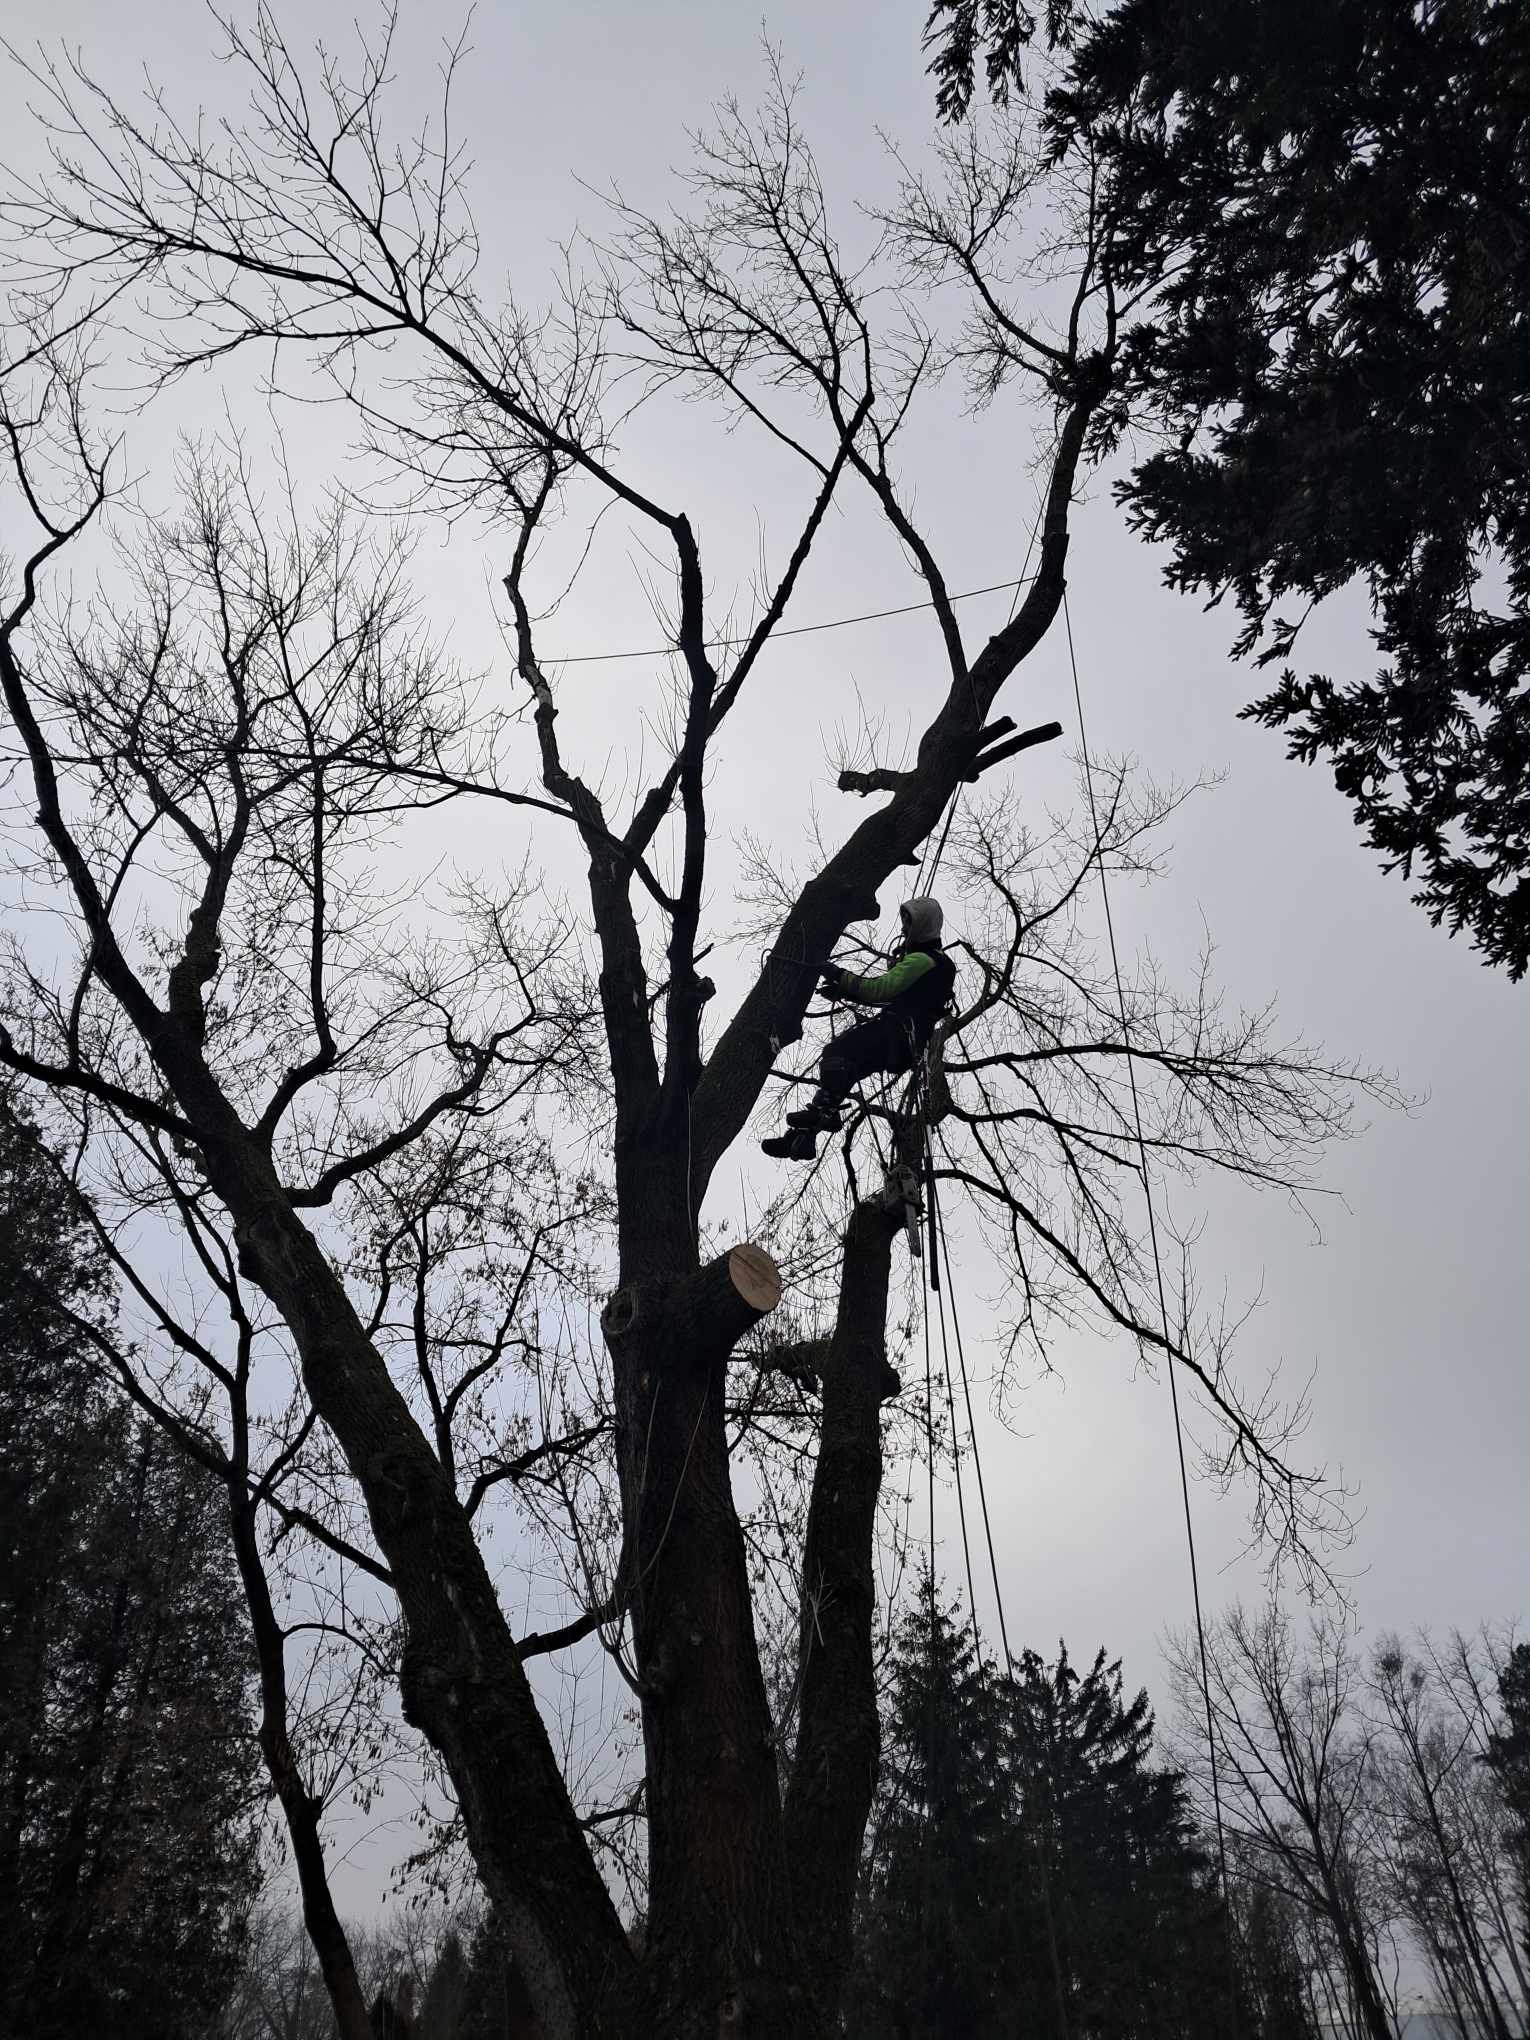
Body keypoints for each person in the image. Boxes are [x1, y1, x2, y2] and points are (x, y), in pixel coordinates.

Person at [761, 896, 956, 1161]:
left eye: (908, 924)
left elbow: (878, 990)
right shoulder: (932, 963)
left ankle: (823, 1119)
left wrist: (837, 974)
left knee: (835, 1053)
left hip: (896, 1035)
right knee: (844, 1072)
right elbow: (894, 997)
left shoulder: (922, 960)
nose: (902, 930)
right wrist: (845, 992)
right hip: (903, 1045)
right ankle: (803, 1139)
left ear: (921, 926)